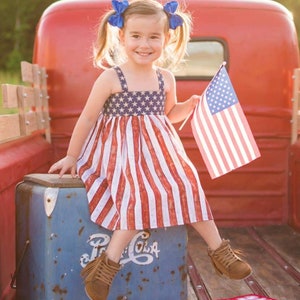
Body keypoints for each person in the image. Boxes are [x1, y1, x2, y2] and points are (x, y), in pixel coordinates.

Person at [49, 0, 252, 299]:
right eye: (136, 36)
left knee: (187, 182)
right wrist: (72, 155)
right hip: (117, 153)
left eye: (154, 37)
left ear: (167, 39)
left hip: (157, 152)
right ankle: (106, 265)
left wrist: (189, 107)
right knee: (138, 193)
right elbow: (88, 118)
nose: (145, 44)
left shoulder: (165, 78)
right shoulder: (110, 78)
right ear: (121, 37)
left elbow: (166, 116)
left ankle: (219, 252)